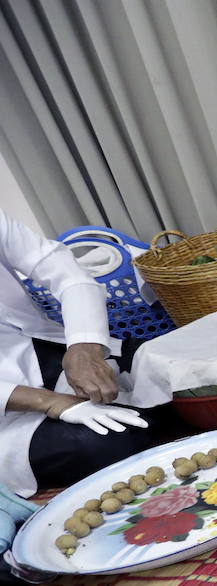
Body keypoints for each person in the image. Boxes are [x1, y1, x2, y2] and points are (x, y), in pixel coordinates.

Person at [0, 209, 151, 498]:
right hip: (7, 411)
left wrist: (85, 347)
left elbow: (69, 276)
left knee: (164, 370)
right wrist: (50, 402)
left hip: (41, 348)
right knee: (105, 441)